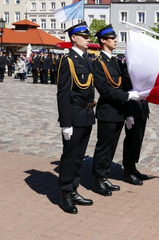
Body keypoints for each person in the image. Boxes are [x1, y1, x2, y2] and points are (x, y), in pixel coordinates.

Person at [91, 24, 141, 193]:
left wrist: (127, 112)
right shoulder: (98, 63)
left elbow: (120, 86)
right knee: (104, 147)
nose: (115, 41)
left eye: (115, 38)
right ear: (103, 41)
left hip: (118, 112)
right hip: (107, 112)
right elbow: (105, 90)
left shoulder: (114, 61)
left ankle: (104, 177)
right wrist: (127, 97)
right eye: (112, 39)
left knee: (112, 147)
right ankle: (98, 179)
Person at [57, 22, 96, 214]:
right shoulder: (68, 61)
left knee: (79, 158)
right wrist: (65, 124)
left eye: (89, 37)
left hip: (87, 115)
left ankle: (74, 189)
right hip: (73, 116)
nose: (88, 39)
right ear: (74, 37)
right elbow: (62, 93)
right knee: (69, 157)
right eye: (85, 36)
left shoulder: (87, 60)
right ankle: (65, 194)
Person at [122, 60, 150, 186]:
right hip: (132, 110)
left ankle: (133, 167)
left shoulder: (140, 67)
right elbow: (125, 90)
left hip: (142, 108)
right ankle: (128, 171)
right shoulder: (126, 68)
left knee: (138, 139)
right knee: (131, 140)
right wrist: (128, 114)